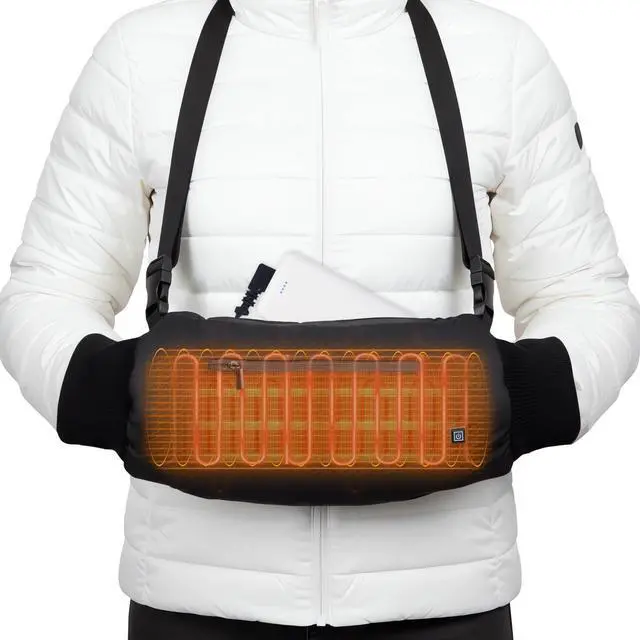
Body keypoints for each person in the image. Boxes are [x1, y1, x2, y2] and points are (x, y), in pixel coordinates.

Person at [1, 0, 639, 638]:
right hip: (196, 598)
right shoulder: (139, 57)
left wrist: (519, 398)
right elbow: (47, 287)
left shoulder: (502, 57)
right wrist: (117, 393)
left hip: (445, 599)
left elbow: (586, 294)